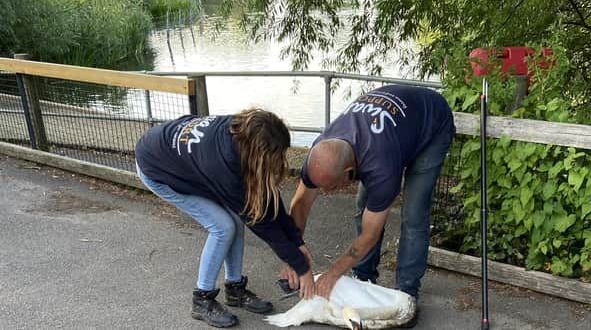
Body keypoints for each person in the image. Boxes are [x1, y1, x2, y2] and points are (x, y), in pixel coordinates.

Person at [281, 84, 454, 327]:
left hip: (430, 124)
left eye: (331, 188)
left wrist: (332, 275)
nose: (327, 195)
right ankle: (363, 277)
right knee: (363, 206)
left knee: (413, 215)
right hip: (389, 135)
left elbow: (371, 232)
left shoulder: (381, 167)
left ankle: (406, 293)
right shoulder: (320, 151)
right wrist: (293, 252)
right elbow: (300, 204)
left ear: (350, 172)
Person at [135, 108, 314, 328]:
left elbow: (268, 198)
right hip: (158, 169)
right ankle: (202, 298)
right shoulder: (225, 166)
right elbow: (261, 222)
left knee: (235, 220)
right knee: (223, 227)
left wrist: (298, 242)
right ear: (258, 153)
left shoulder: (241, 132)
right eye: (275, 157)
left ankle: (235, 289)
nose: (280, 161)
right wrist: (301, 268)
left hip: (178, 157)